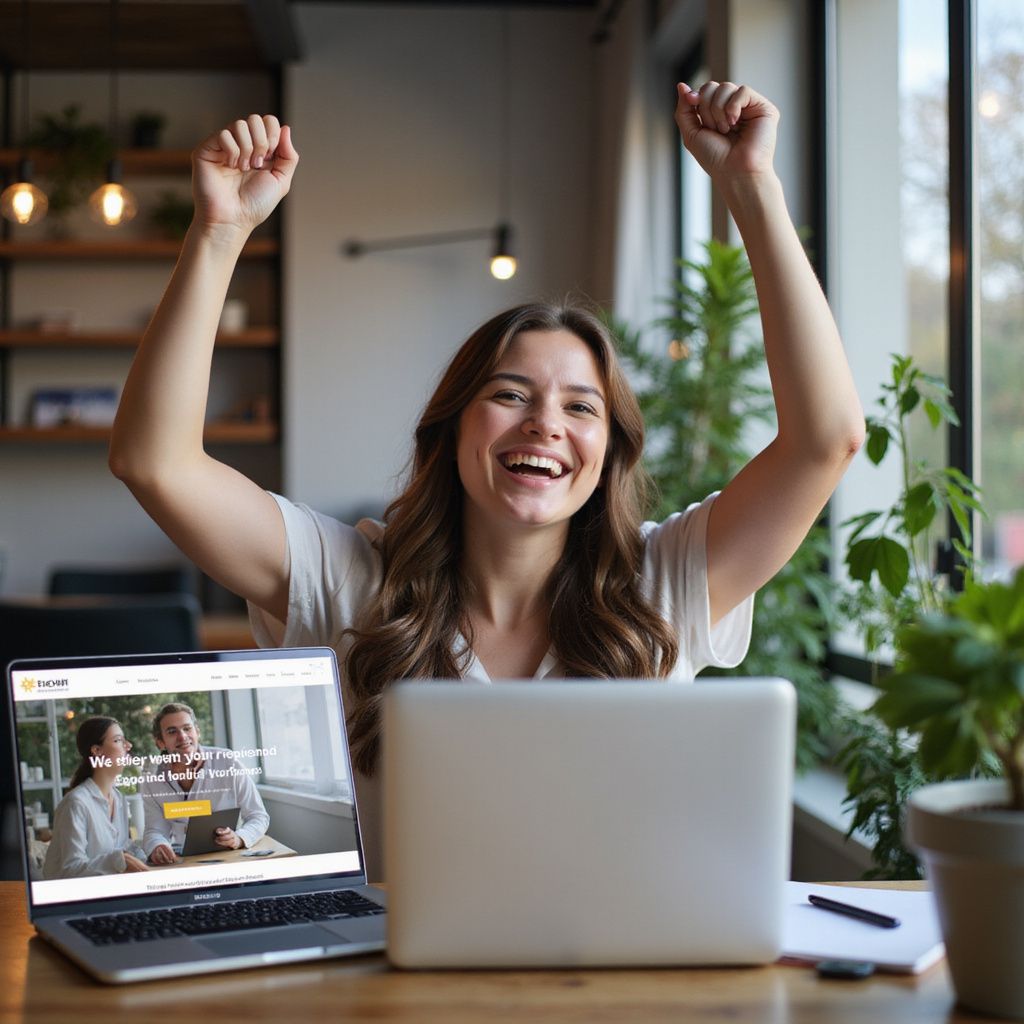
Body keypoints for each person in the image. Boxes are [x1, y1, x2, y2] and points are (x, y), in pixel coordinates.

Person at [109, 82, 865, 881]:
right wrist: (219, 233)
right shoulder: (346, 579)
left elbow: (826, 440)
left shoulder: (666, 583)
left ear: (607, 456)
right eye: (510, 395)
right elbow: (154, 462)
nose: (545, 423)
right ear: (452, 427)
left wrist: (750, 187)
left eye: (581, 408)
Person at [138, 702, 270, 865]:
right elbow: (155, 830)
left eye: (187, 728)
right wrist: (157, 846)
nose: (182, 736)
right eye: (172, 731)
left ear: (197, 732)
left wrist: (240, 838)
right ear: (160, 743)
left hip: (230, 859)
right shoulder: (151, 778)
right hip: (183, 862)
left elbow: (258, 816)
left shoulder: (227, 762)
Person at [43, 717, 150, 879]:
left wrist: (150, 851)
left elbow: (121, 847)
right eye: (118, 740)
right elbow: (69, 869)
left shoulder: (118, 798)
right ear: (97, 751)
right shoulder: (76, 803)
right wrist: (117, 861)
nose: (128, 746)